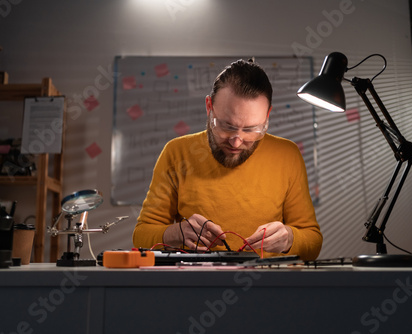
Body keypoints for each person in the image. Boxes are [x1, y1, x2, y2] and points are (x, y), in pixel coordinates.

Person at [132, 59, 322, 260]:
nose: (237, 142)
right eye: (227, 127)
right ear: (209, 107)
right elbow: (141, 236)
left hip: (266, 284)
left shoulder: (287, 155)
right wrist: (177, 233)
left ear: (267, 116)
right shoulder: (176, 152)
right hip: (196, 283)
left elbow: (313, 243)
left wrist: (290, 239)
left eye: (251, 129)